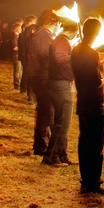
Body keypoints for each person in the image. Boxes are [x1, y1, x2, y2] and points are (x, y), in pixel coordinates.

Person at [70, 17, 104, 195]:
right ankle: (94, 182)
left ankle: (85, 181)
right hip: (94, 103)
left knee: (84, 142)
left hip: (83, 102)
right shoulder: (91, 53)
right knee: (95, 145)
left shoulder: (76, 50)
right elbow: (95, 82)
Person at [42, 20, 77, 167]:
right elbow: (61, 58)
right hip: (61, 85)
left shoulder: (62, 41)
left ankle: (62, 155)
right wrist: (77, 57)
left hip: (62, 83)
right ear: (74, 30)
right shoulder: (62, 41)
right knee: (61, 123)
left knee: (64, 123)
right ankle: (51, 157)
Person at [29, 10, 60, 155]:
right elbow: (46, 54)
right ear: (53, 22)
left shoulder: (43, 34)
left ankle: (44, 143)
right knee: (46, 112)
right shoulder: (44, 35)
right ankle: (42, 146)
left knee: (46, 111)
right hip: (43, 77)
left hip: (41, 76)